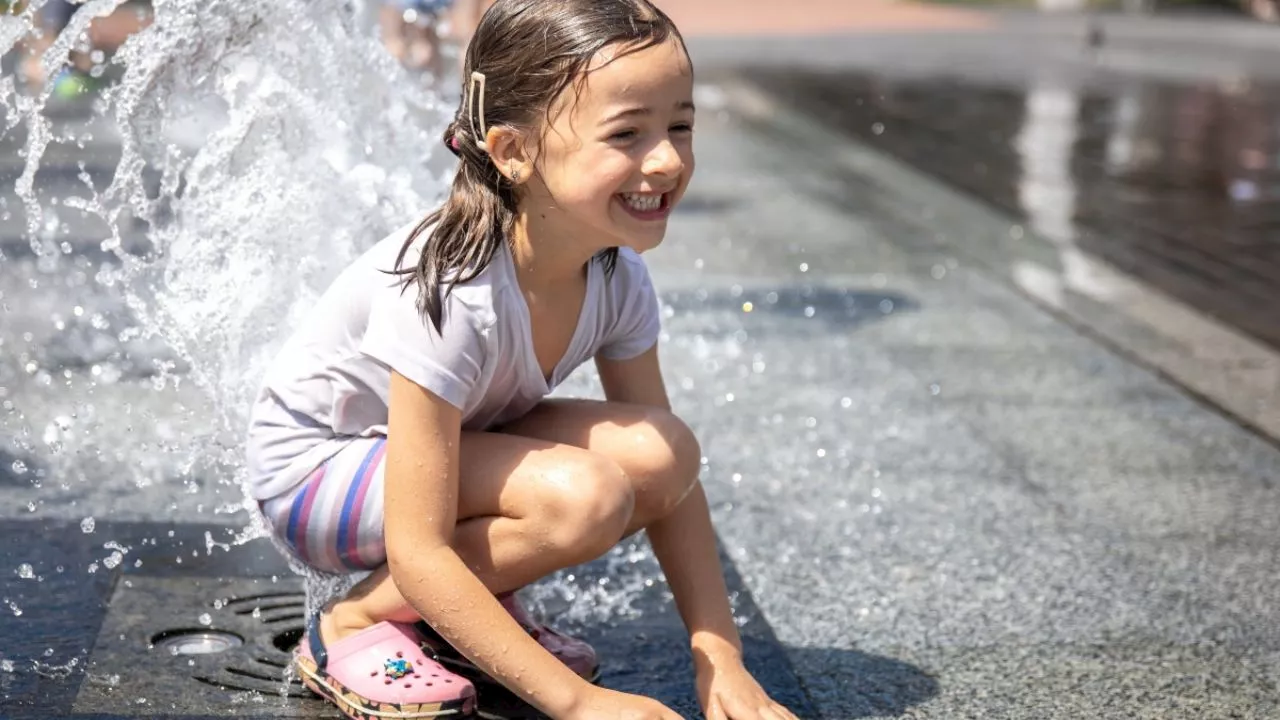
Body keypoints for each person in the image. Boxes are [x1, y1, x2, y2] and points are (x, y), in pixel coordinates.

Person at [246, 1, 800, 718]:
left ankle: (457, 619)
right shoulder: (451, 290)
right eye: (626, 133)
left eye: (680, 126)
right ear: (513, 151)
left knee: (663, 453)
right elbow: (419, 545)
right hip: (317, 474)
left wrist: (720, 658)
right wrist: (576, 704)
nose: (666, 159)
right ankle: (351, 625)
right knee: (582, 498)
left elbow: (672, 487)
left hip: (426, 458)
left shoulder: (614, 272)